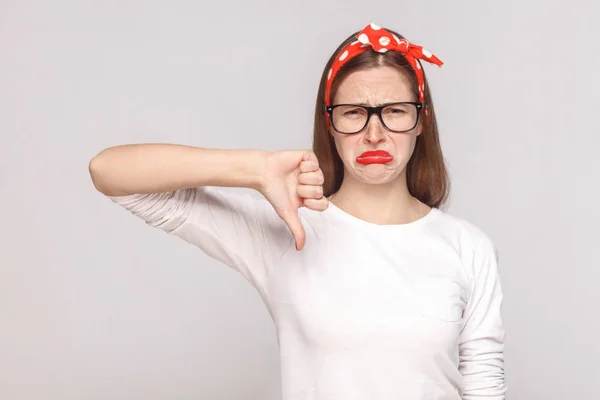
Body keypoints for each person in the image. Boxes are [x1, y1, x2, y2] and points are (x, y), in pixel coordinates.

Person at [89, 23, 506, 400]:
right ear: (330, 124)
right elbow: (109, 172)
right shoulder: (289, 227)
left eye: (395, 111)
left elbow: (484, 386)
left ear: (420, 121)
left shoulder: (467, 247)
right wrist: (256, 169)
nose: (374, 133)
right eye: (354, 113)